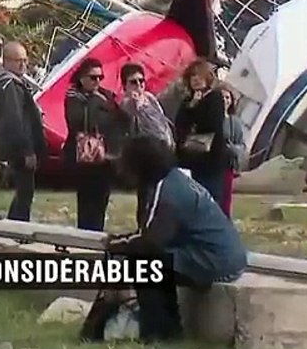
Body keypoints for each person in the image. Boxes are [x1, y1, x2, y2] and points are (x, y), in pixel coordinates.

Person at [106, 135, 248, 343]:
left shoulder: (167, 192)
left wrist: (116, 244)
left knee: (143, 264)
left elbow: (151, 241)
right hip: (222, 256)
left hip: (215, 261)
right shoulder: (174, 179)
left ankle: (159, 333)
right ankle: (168, 328)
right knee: (155, 260)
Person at [63, 57, 128, 231]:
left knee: (102, 197)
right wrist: (95, 101)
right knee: (86, 199)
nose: (97, 81)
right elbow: (78, 122)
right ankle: (85, 234)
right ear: (82, 78)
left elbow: (121, 120)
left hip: (105, 156)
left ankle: (97, 232)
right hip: (84, 156)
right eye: (93, 77)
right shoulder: (74, 96)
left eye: (100, 77)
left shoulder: (106, 95)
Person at [0, 41, 45, 222]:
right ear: (6, 61)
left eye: (25, 60)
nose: (23, 65)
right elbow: (15, 121)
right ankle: (17, 229)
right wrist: (27, 151)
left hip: (15, 147)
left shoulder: (7, 83)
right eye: (18, 60)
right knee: (25, 193)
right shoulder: (9, 85)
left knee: (24, 192)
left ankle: (14, 226)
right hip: (19, 148)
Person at [173, 58, 234, 217]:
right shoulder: (187, 101)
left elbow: (211, 123)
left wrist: (196, 109)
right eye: (192, 77)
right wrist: (192, 105)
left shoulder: (215, 97)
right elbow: (180, 126)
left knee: (212, 198)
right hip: (191, 160)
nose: (196, 80)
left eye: (199, 76)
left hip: (211, 159)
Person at [118, 62, 175, 226]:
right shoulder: (128, 103)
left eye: (141, 81)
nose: (138, 86)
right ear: (125, 85)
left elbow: (161, 123)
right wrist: (139, 105)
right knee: (147, 196)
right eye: (133, 82)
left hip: (163, 151)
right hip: (146, 156)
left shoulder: (150, 98)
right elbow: (141, 121)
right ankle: (144, 228)